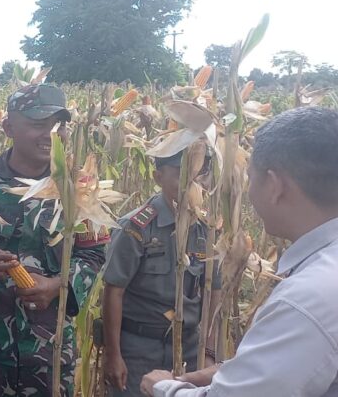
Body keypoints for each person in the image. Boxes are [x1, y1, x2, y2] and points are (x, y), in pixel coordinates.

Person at [141, 106, 338, 397]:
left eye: (250, 177)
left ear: (274, 186)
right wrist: (233, 371)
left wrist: (163, 388)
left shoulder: (307, 299)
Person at [0, 83, 108, 396]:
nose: (50, 134)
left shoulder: (80, 186)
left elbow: (94, 253)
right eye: (38, 124)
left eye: (58, 126)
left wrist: (58, 284)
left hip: (49, 347)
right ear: (8, 128)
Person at [103, 150, 219, 397]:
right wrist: (113, 355)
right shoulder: (136, 227)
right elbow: (114, 291)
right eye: (181, 175)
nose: (191, 184)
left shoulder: (207, 230)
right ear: (158, 177)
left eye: (198, 175)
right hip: (139, 347)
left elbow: (213, 292)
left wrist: (208, 352)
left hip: (189, 346)